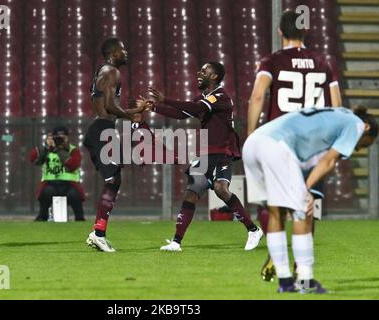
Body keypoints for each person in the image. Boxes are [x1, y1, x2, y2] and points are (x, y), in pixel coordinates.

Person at [247, 10, 343, 281]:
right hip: (313, 145)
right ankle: (303, 269)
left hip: (279, 143)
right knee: (307, 206)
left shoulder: (272, 61)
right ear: (304, 32)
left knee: (272, 207)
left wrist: (253, 134)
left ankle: (277, 258)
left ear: (280, 32)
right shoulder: (324, 62)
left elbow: (257, 97)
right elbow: (336, 105)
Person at [243, 106, 378, 294]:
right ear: (367, 128)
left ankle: (285, 282)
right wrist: (306, 190)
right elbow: (328, 161)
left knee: (276, 213)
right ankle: (306, 281)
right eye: (363, 144)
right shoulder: (355, 124)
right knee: (303, 213)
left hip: (253, 143)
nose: (356, 148)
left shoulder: (339, 114)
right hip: (276, 147)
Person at [139, 62, 263, 252]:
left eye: (204, 71)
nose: (199, 72)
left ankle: (253, 230)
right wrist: (154, 107)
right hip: (206, 154)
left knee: (221, 189)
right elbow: (182, 113)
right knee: (192, 193)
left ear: (214, 76)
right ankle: (176, 242)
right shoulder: (203, 98)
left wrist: (165, 99)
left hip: (223, 152)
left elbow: (195, 108)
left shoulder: (221, 96)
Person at [84, 37, 143, 252]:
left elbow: (109, 104)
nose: (125, 52)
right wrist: (134, 113)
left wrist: (128, 114)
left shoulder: (105, 71)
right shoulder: (112, 72)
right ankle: (98, 234)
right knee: (112, 179)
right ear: (112, 53)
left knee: (115, 179)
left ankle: (98, 232)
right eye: (122, 49)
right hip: (102, 130)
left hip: (102, 129)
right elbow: (109, 105)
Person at [29, 125, 86, 222]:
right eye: (58, 138)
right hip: (50, 183)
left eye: (63, 138)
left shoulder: (73, 150)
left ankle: (79, 217)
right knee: (46, 193)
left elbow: (73, 165)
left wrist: (59, 150)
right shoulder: (46, 150)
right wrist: (46, 148)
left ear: (68, 138)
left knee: (74, 195)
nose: (60, 140)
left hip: (70, 184)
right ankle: (42, 216)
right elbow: (34, 160)